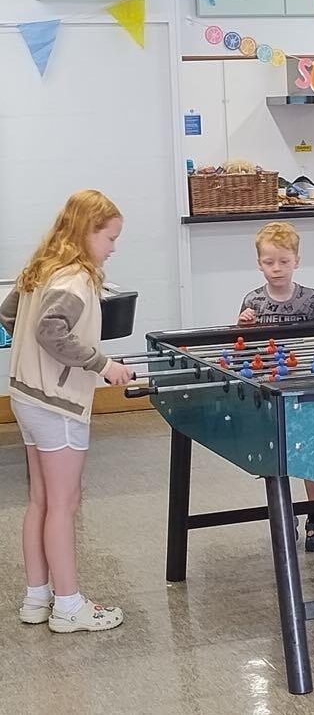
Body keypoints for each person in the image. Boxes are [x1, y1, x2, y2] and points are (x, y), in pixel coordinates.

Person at [0, 190, 134, 632]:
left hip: (25, 396)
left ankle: (37, 598)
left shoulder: (40, 267)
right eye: (109, 238)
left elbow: (9, 316)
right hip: (57, 404)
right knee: (64, 502)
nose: (113, 248)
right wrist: (104, 363)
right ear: (87, 232)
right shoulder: (76, 278)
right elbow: (49, 331)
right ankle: (70, 605)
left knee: (40, 500)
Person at [237, 221, 314, 551]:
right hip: (269, 388)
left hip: (305, 384)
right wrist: (243, 325)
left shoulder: (310, 299)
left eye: (283, 261)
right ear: (259, 263)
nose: (276, 269)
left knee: (309, 452)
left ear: (296, 261)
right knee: (276, 452)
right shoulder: (254, 302)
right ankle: (285, 510)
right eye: (268, 262)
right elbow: (241, 348)